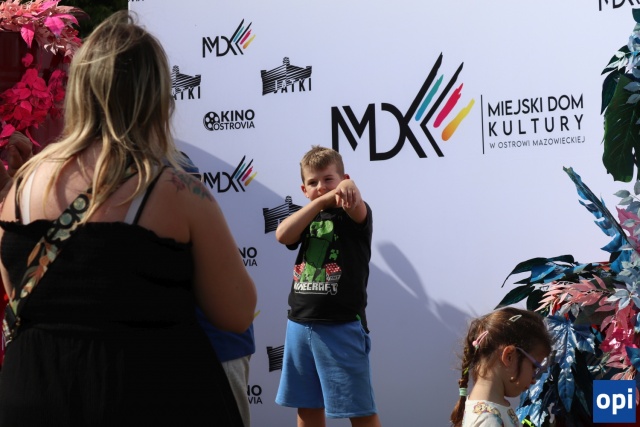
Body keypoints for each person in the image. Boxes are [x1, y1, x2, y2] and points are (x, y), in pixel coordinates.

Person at [0, 11, 256, 426]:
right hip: (147, 395)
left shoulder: (21, 188)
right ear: (157, 97)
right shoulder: (177, 192)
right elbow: (237, 313)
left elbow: (18, 294)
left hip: (35, 393)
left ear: (79, 90)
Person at [274, 145, 381, 427]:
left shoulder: (353, 213)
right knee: (307, 407)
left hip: (341, 327)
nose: (321, 187)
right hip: (299, 325)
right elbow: (282, 235)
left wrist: (346, 187)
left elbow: (353, 197)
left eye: (328, 179)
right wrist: (319, 203)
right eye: (313, 182)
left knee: (360, 410)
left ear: (343, 178)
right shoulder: (309, 215)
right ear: (303, 189)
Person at [450, 307, 552, 427]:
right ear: (509, 356)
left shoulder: (494, 409)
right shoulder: (488, 421)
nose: (534, 379)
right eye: (534, 367)